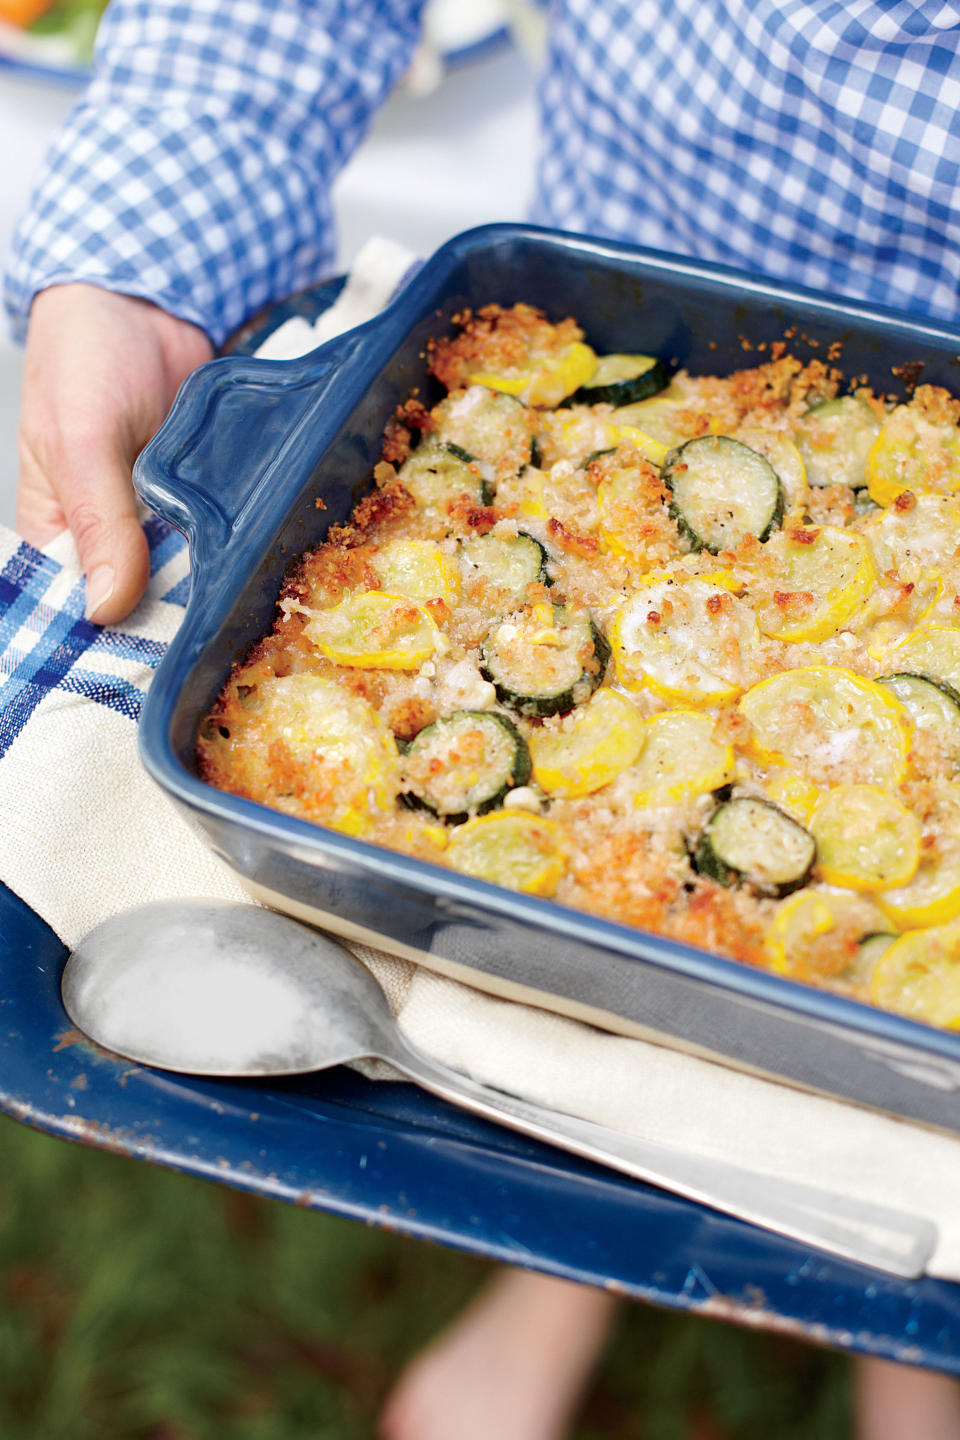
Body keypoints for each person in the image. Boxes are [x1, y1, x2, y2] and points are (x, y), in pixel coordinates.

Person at [7, 1, 960, 1435]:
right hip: (635, 272)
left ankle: (914, 1325)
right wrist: (148, 257)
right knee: (563, 990)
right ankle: (563, 1262)